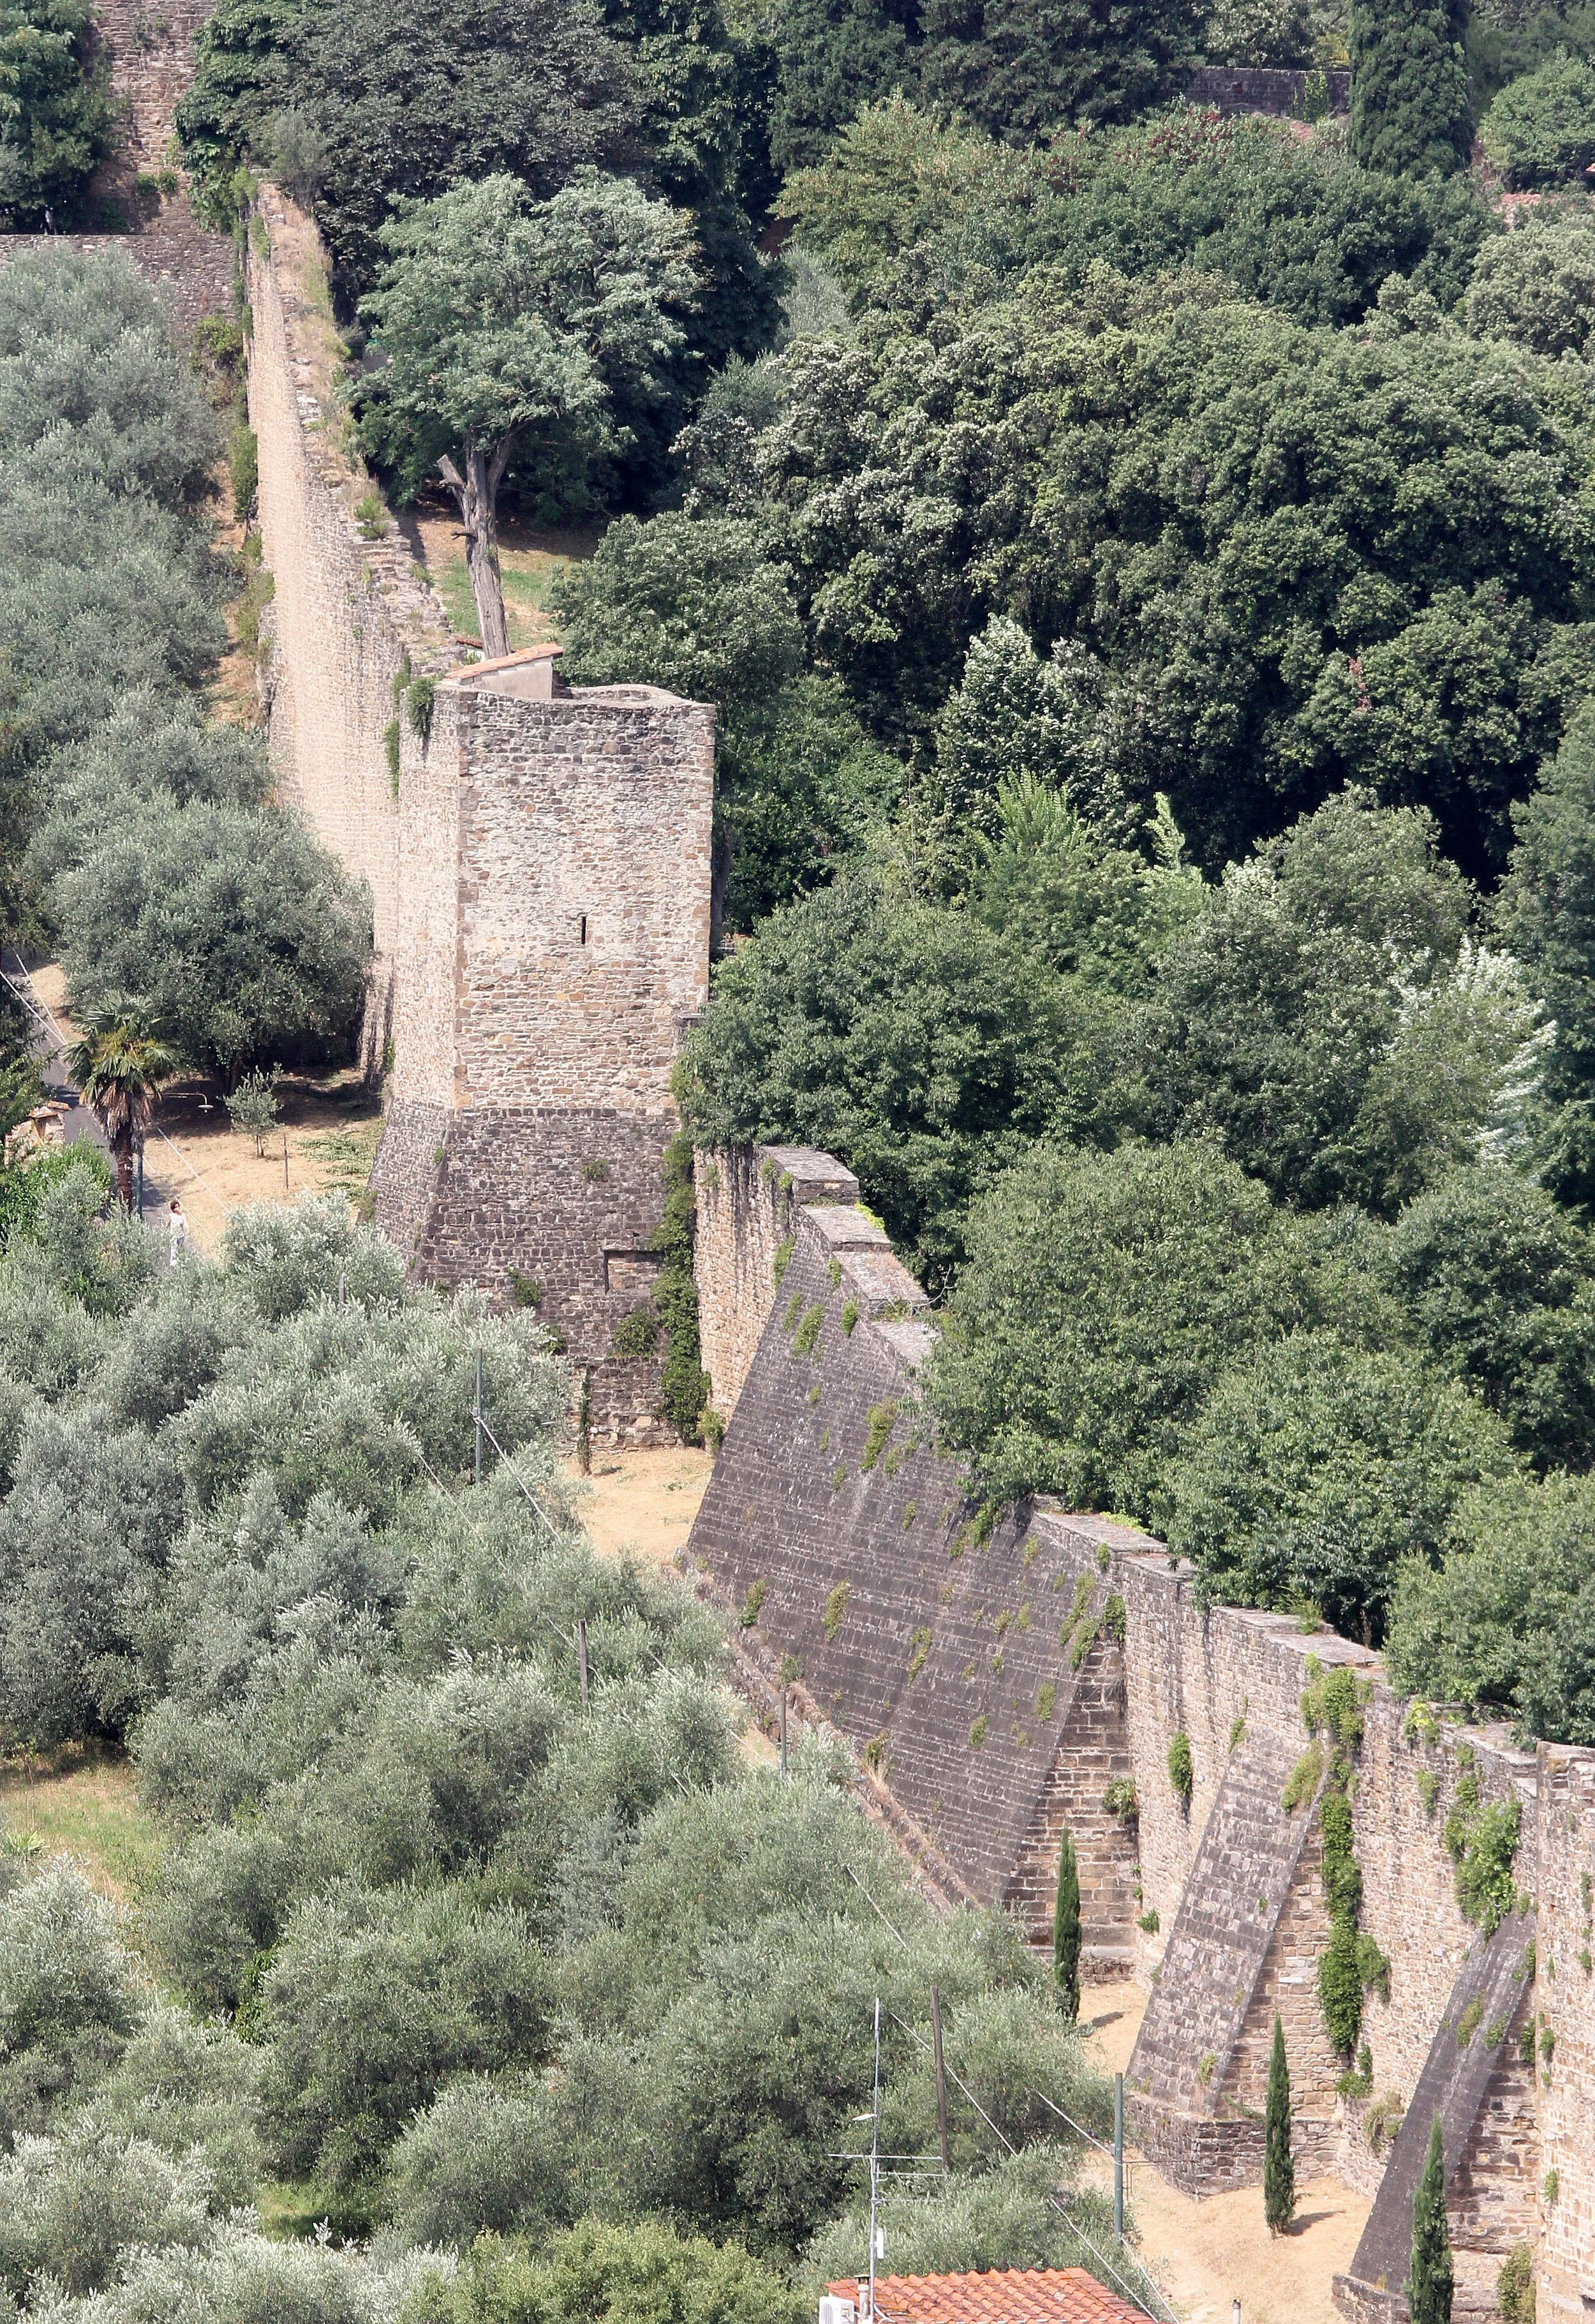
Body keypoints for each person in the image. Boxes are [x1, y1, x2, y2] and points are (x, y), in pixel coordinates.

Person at [167, 1196, 186, 1267]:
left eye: (178, 1206)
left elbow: (185, 1224)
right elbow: (168, 1224)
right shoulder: (171, 1215)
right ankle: (173, 1262)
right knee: (174, 1248)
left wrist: (188, 1230)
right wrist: (164, 1231)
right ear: (173, 1209)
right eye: (176, 1207)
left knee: (181, 1248)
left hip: (181, 1235)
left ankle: (181, 1261)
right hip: (173, 1234)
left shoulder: (183, 1215)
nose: (178, 1208)